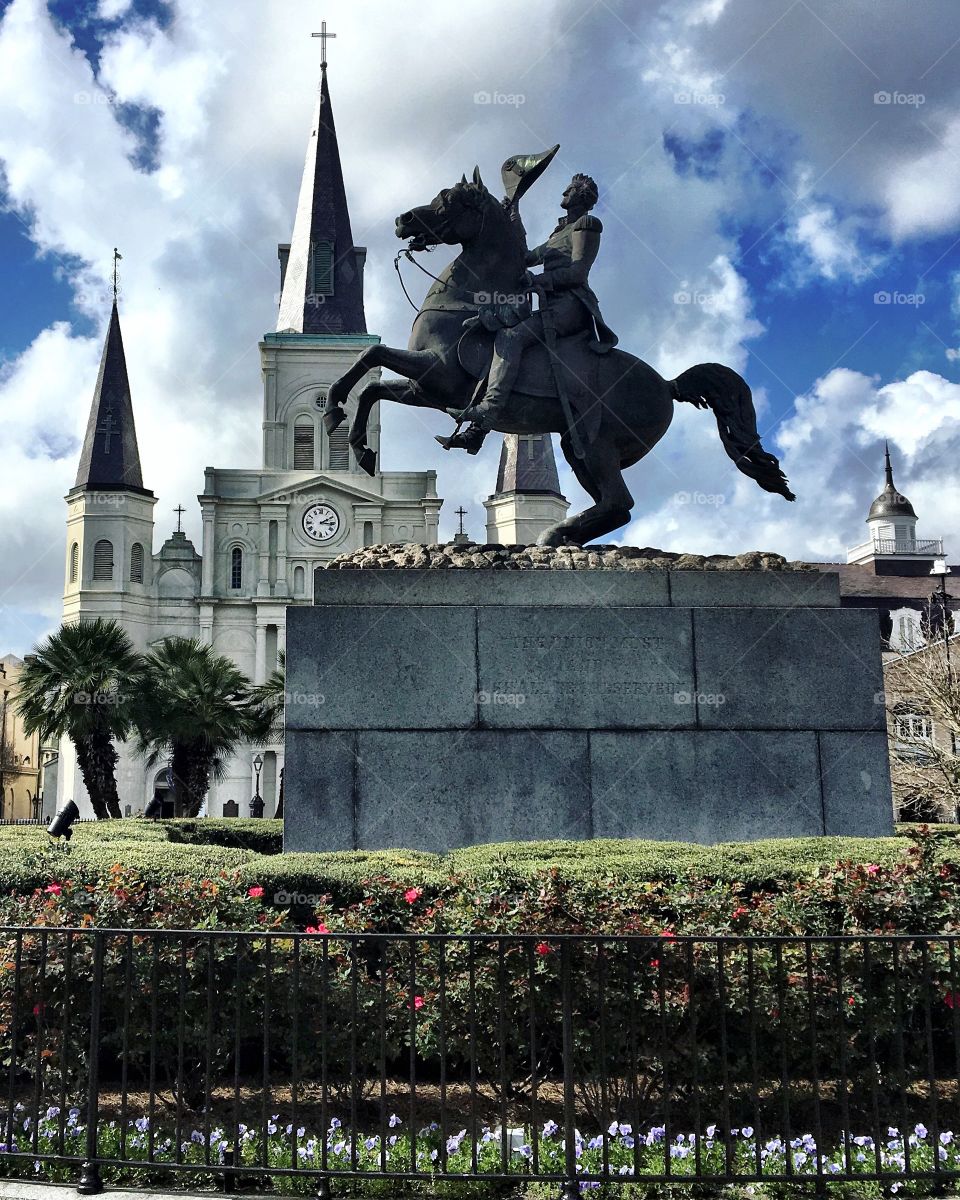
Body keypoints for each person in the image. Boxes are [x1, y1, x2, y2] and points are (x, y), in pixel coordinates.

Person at [437, 172, 617, 454]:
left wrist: (540, 281)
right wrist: (513, 215)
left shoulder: (587, 224)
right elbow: (527, 258)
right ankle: (477, 432)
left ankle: (489, 407)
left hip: (570, 305)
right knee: (492, 326)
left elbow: (579, 272)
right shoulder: (559, 232)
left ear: (581, 195)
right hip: (548, 303)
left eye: (568, 190)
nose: (563, 195)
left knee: (512, 337)